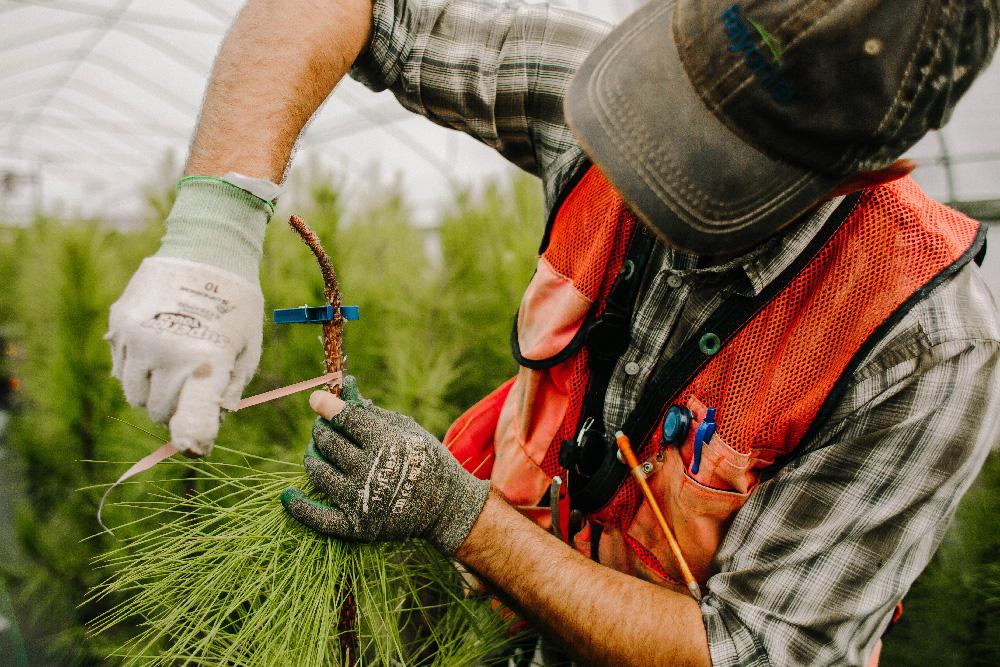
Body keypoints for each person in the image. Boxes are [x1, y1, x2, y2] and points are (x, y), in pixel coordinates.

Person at [105, 0, 1000, 664]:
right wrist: (213, 231)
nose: (658, 173)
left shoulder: (925, 348)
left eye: (723, 174)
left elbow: (749, 648)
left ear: (876, 169)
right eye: (668, 109)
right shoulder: (593, 73)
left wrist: (459, 515)